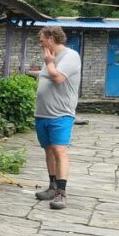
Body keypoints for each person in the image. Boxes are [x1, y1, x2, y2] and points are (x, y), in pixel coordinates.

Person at [34, 25, 82, 210]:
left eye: (42, 40)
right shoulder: (50, 59)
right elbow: (47, 75)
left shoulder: (70, 56)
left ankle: (61, 193)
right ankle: (52, 186)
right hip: (42, 114)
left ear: (51, 39)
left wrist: (48, 62)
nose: (41, 44)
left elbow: (58, 78)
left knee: (59, 150)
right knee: (48, 150)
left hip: (60, 114)